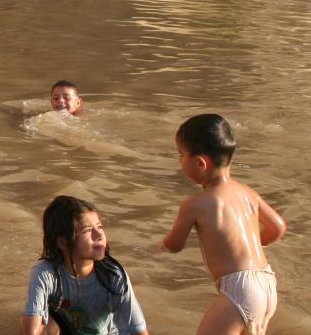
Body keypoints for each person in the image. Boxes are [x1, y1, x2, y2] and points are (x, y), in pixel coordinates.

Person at [160, 114, 287, 335]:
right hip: (266, 282)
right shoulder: (248, 193)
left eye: (181, 155)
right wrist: (254, 245)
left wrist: (164, 245)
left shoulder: (195, 204)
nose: (180, 161)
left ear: (201, 163)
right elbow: (278, 228)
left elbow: (175, 244)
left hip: (240, 289)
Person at [21, 195, 150, 335]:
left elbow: (138, 331)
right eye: (87, 230)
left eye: (100, 226)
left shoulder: (113, 275)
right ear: (63, 243)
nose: (99, 234)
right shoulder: (45, 273)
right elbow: (30, 333)